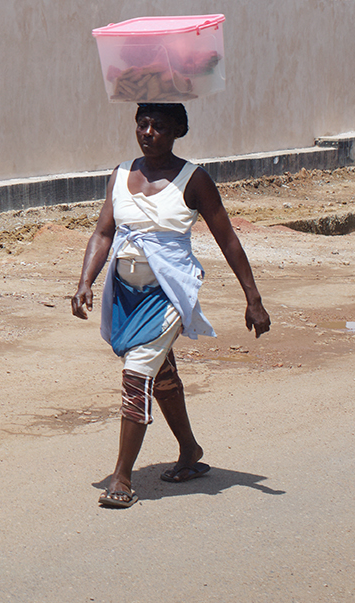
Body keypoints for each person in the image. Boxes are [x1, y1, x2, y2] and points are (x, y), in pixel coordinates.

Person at [69, 102, 270, 509]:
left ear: (178, 130)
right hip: (124, 295)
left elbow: (227, 238)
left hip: (169, 294)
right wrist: (85, 281)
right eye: (142, 124)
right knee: (161, 372)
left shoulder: (193, 180)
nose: (147, 132)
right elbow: (104, 232)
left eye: (158, 126)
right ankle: (190, 451)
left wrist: (253, 298)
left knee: (137, 374)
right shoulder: (121, 173)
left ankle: (122, 478)